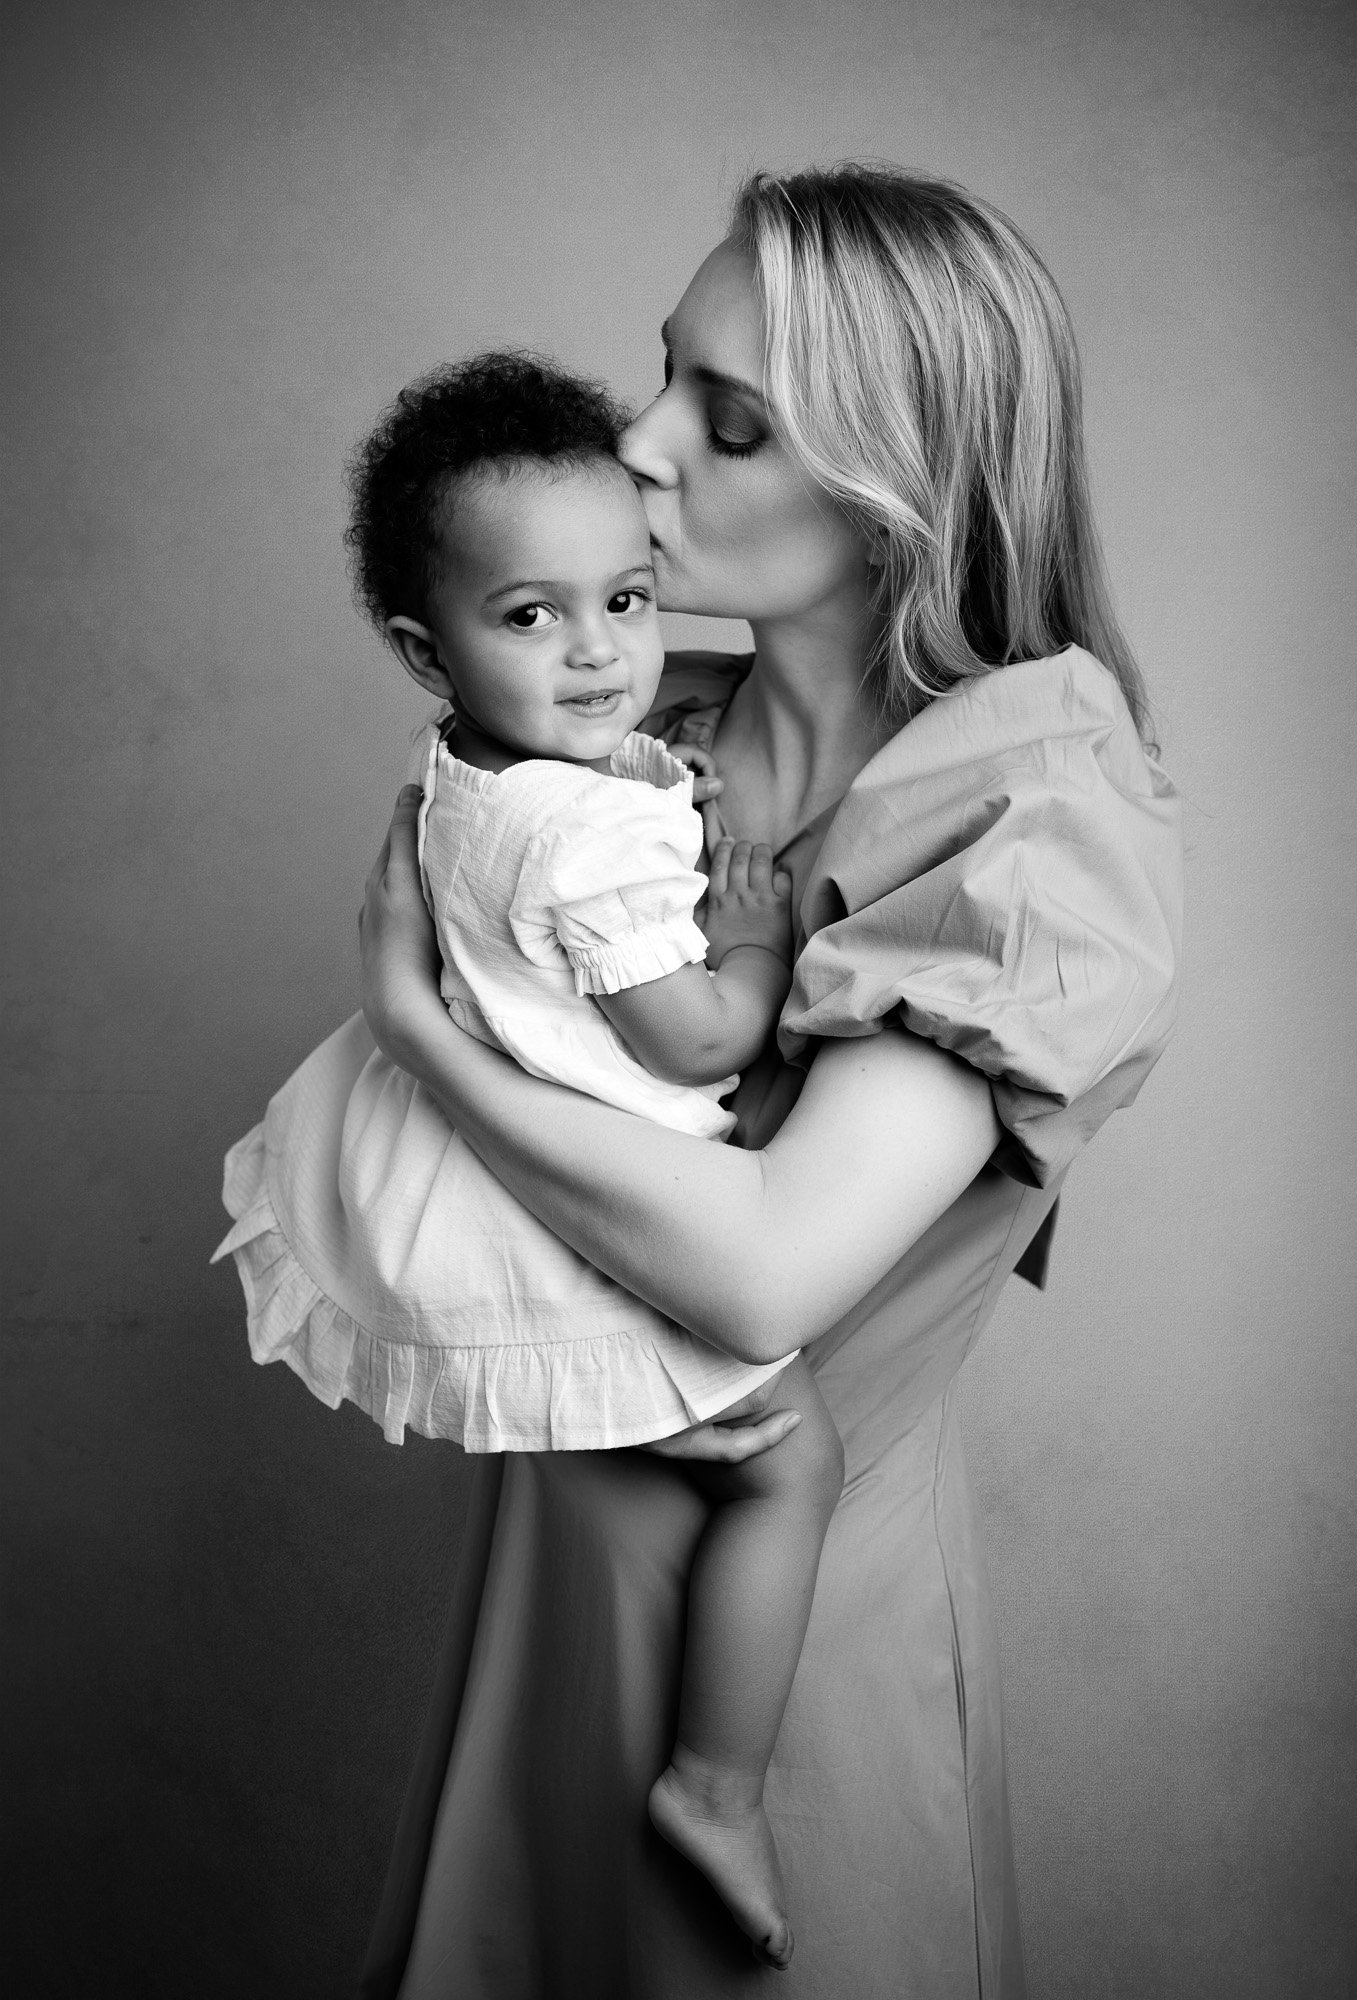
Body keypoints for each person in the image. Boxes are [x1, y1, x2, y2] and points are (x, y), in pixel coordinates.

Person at [354, 164, 1183, 1998]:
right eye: (663, 377)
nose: (636, 446)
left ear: (900, 493)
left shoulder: (1030, 807)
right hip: (553, 1576)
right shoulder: (654, 730)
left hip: (785, 1663)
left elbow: (756, 1275)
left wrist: (417, 1034)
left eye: (726, 424)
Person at [212, 352, 846, 1966]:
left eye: (629, 600)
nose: (602, 655)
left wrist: (666, 782)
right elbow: (691, 1040)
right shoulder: (583, 836)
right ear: (432, 644)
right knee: (793, 1460)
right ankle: (715, 1782)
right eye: (532, 618)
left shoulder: (473, 770)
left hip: (476, 1167)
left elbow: (561, 836)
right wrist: (760, 939)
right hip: (581, 1208)